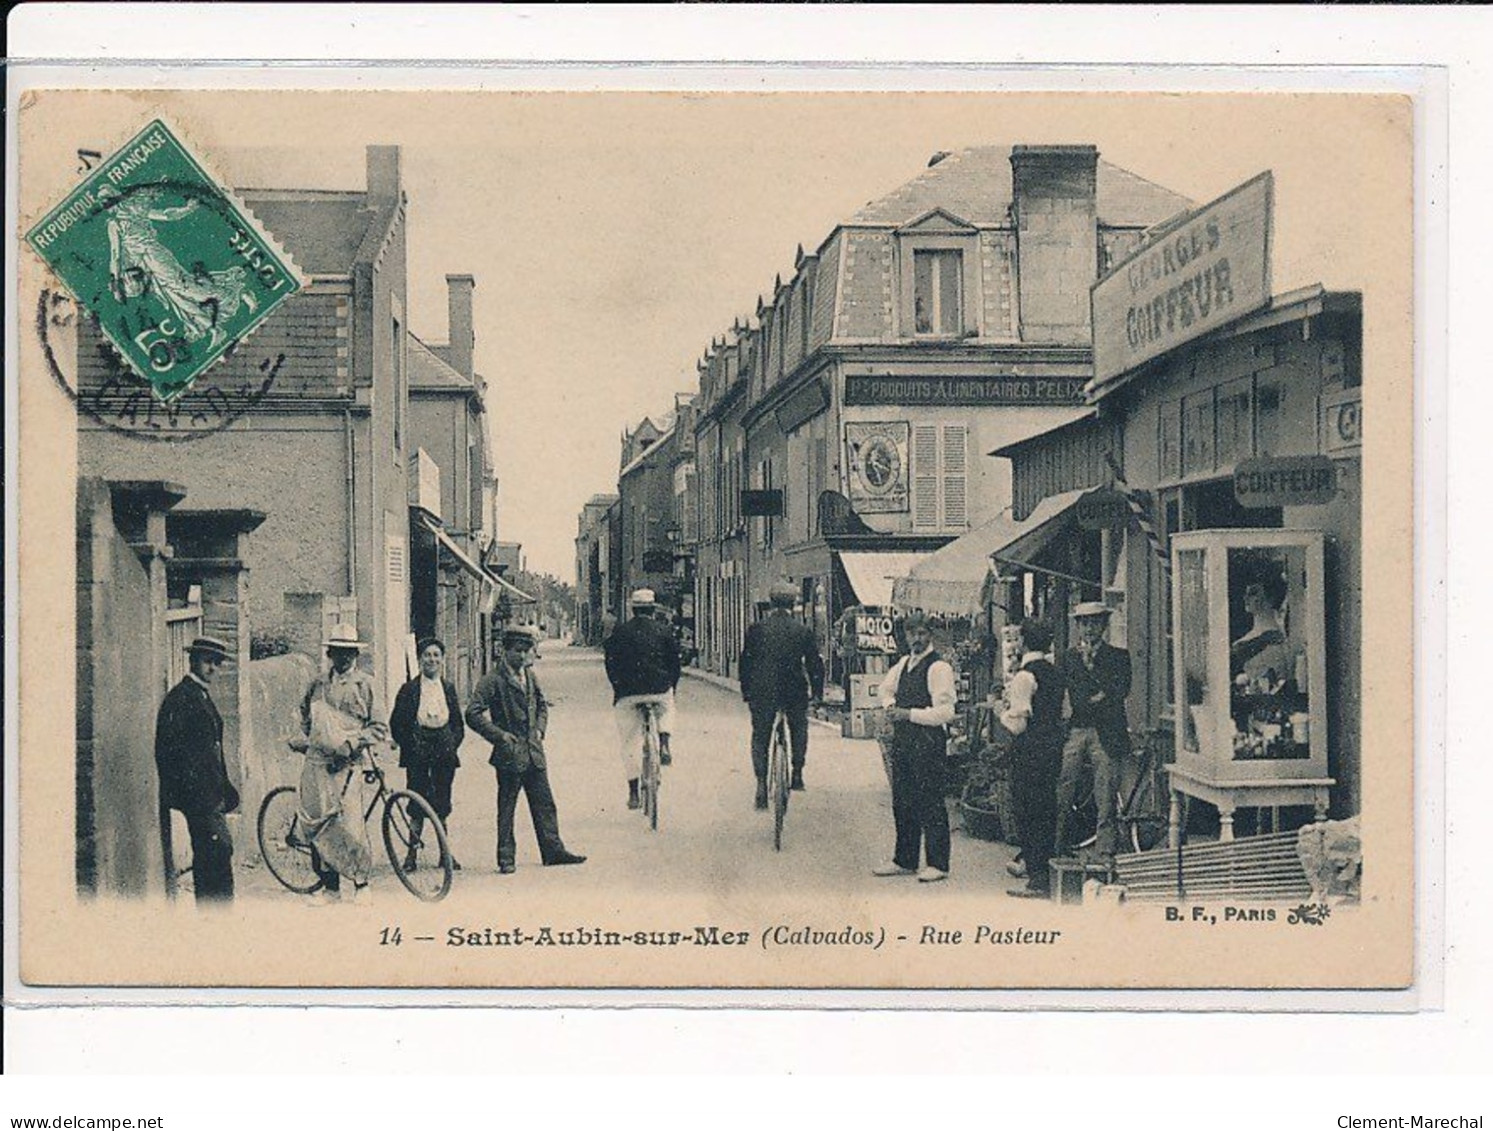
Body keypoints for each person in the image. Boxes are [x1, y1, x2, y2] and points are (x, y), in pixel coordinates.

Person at [467, 625, 586, 874]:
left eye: (526, 651)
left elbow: (542, 704)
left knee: (545, 803)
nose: (523, 656)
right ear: (505, 651)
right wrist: (500, 737)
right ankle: (506, 858)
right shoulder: (493, 680)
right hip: (509, 755)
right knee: (507, 807)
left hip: (534, 751)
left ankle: (553, 851)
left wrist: (541, 730)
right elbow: (472, 713)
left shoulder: (530, 676)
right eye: (518, 651)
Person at [297, 624, 383, 905]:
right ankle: (330, 888)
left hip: (349, 764)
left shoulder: (365, 685)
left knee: (351, 824)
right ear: (330, 654)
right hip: (319, 763)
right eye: (338, 652)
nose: (344, 658)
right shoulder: (318, 684)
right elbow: (305, 715)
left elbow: (378, 727)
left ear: (356, 654)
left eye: (349, 653)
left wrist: (351, 744)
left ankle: (361, 883)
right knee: (320, 824)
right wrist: (313, 738)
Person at [872, 612, 958, 883]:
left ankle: (938, 863)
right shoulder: (902, 664)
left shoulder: (938, 668)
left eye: (921, 633)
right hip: (904, 741)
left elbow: (945, 712)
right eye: (912, 634)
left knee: (930, 801)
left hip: (929, 741)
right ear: (906, 636)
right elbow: (884, 690)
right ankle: (905, 859)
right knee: (903, 800)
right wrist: (890, 708)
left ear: (930, 634)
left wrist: (908, 714)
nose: (916, 639)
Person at [154, 635, 240, 905]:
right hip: (199, 797)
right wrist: (191, 795)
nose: (213, 668)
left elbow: (213, 751)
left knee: (216, 854)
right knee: (216, 852)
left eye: (217, 663)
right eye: (207, 661)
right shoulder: (181, 698)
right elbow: (168, 752)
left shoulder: (201, 695)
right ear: (193, 661)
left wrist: (222, 788)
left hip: (211, 794)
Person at [1054, 602, 1132, 862]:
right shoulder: (1067, 657)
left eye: (1095, 623)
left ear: (1104, 625)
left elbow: (1119, 691)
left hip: (1107, 733)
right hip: (1076, 730)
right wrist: (1098, 696)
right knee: (1064, 786)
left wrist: (1095, 688)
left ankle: (1105, 852)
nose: (1089, 628)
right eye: (1084, 623)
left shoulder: (1119, 657)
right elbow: (1071, 696)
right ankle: (1057, 847)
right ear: (1077, 626)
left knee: (1106, 792)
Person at [738, 580, 825, 809]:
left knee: (760, 736)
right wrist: (817, 694)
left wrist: (747, 691)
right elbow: (815, 665)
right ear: (793, 603)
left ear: (770, 602)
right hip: (793, 691)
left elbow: (745, 662)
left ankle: (760, 784)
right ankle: (796, 773)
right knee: (799, 728)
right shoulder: (802, 631)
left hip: (763, 691)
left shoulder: (756, 630)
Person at [389, 637, 466, 873]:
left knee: (442, 801)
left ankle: (445, 854)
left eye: (436, 655)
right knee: (417, 801)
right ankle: (411, 854)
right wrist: (410, 746)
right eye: (427, 655)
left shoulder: (449, 688)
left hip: (443, 748)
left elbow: (458, 724)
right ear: (420, 659)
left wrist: (451, 744)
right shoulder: (409, 689)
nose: (431, 660)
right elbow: (397, 723)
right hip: (418, 749)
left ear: (442, 660)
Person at [1002, 619, 1066, 899]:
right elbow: (1064, 712)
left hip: (1029, 751)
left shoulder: (1024, 677)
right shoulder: (1055, 673)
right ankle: (1041, 869)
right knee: (1046, 808)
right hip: (1052, 748)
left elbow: (1018, 724)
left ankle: (1037, 877)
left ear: (1023, 642)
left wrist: (999, 713)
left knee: (1027, 810)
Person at [603, 589, 682, 811]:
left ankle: (633, 793)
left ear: (632, 609)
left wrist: (618, 687)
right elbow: (675, 665)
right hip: (659, 688)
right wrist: (671, 687)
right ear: (653, 608)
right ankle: (664, 741)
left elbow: (610, 663)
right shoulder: (664, 631)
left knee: (629, 741)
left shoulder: (619, 632)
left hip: (628, 693)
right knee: (667, 707)